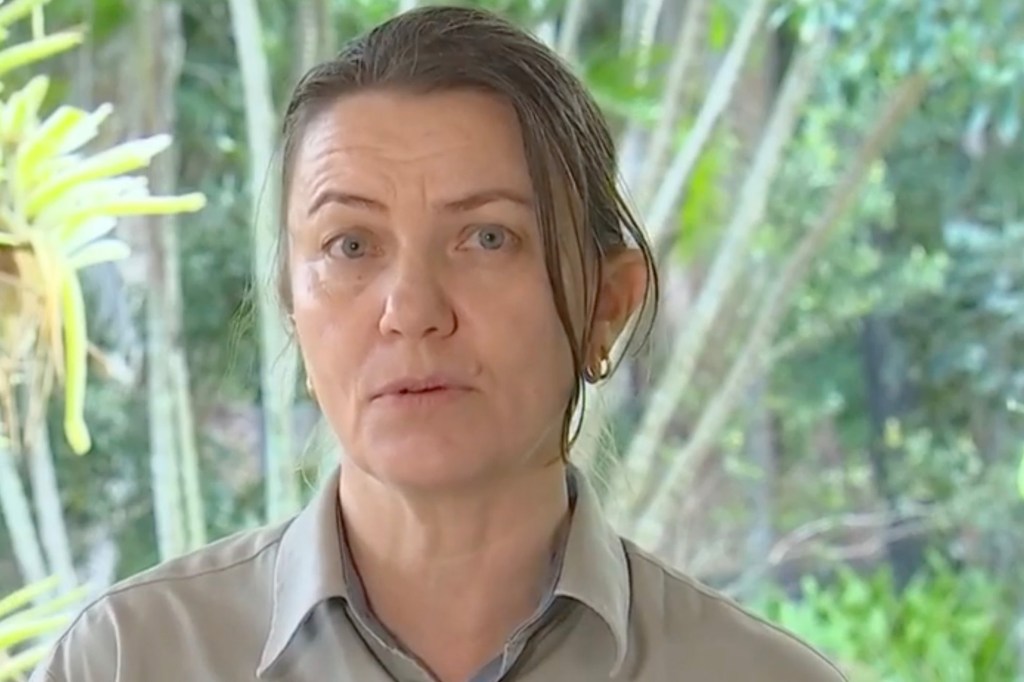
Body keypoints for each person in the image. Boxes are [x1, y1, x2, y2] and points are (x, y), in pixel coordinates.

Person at [31, 6, 847, 682]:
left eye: (487, 238)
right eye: (350, 245)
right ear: (292, 310)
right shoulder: (132, 657)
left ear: (609, 304)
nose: (412, 310)